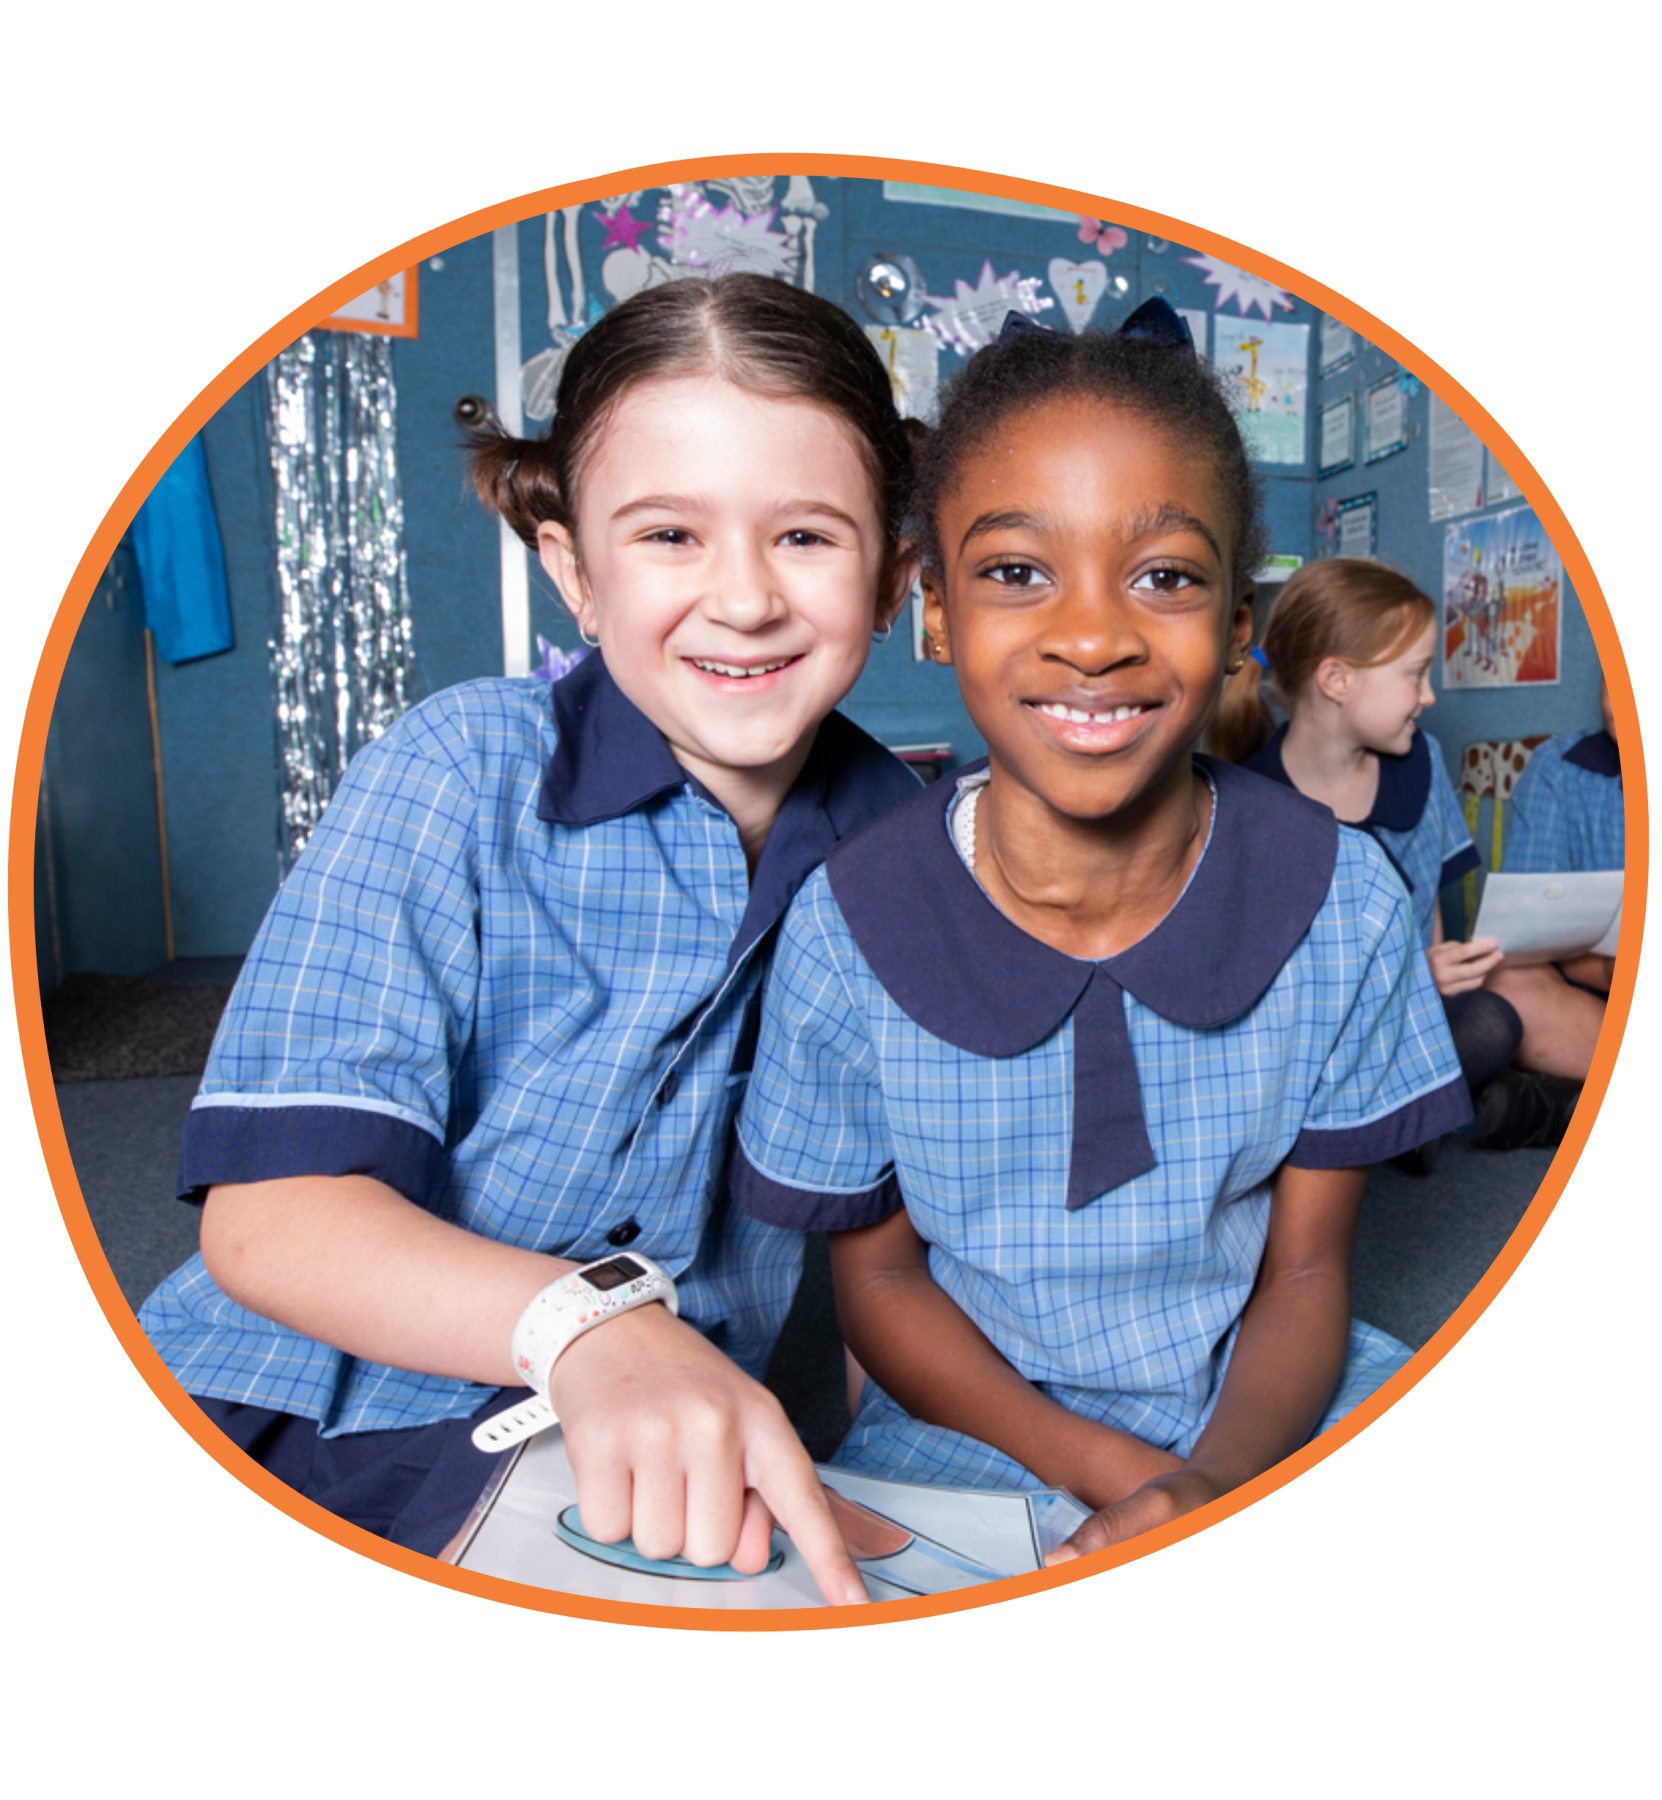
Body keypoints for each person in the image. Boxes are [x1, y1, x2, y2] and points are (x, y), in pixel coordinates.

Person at [137, 274, 923, 1605]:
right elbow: (271, 1224)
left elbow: (892, 1218)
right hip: (316, 1399)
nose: (742, 599)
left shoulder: (902, 846)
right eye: (670, 535)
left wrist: (908, 1474)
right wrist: (586, 1325)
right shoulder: (456, 770)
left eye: (805, 537)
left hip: (643, 1422)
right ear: (573, 567)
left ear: (892, 576)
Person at [726, 304, 1469, 1560]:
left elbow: (1301, 1277)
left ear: (1239, 621)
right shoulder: (849, 929)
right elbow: (882, 1288)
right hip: (975, 1415)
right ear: (939, 609)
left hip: (1268, 1393)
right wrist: (1119, 1474)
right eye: (1017, 571)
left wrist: (1216, 1477)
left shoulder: (1341, 903)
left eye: (1166, 575)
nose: (1090, 635)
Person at [1212, 559, 1524, 1170]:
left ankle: (1388, 1124)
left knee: (1492, 1020)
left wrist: (1429, 975)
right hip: (1305, 1036)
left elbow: (1428, 904)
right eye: (1415, 675)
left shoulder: (1424, 762)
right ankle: (1398, 1123)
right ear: (1337, 680)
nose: (1430, 695)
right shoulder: (1249, 803)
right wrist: (1406, 984)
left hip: (1407, 1014)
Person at [1473, 678, 1623, 1142]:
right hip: (1590, 1001)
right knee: (1500, 985)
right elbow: (1530, 932)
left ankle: (1559, 1108)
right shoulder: (1558, 766)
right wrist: (1612, 972)